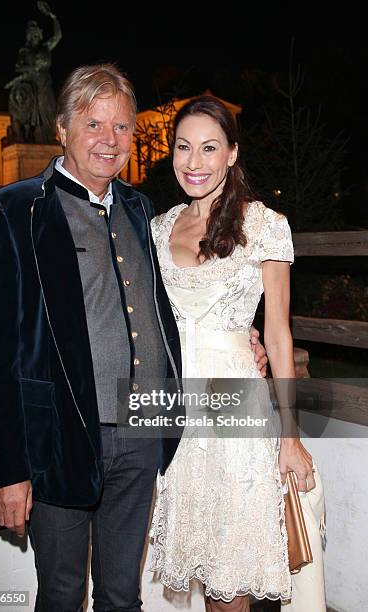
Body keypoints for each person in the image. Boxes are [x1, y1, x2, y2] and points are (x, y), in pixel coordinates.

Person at [0, 66, 267, 612]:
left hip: (141, 431)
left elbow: (171, 297)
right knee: (60, 594)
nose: (110, 140)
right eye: (94, 124)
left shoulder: (138, 209)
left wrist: (240, 327)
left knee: (122, 597)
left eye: (123, 127)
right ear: (62, 128)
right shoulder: (12, 211)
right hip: (60, 439)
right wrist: (5, 469)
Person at [149, 96, 317, 612]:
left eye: (209, 148)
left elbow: (279, 336)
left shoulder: (263, 224)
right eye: (183, 147)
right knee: (197, 566)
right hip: (173, 416)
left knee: (230, 586)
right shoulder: (156, 229)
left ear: (232, 154)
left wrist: (289, 437)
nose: (193, 162)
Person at [5, 1, 61, 144]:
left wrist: (53, 17)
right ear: (29, 36)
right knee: (35, 110)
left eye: (37, 34)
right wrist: (30, 69)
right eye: (33, 34)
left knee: (49, 110)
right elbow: (18, 68)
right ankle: (36, 135)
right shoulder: (24, 51)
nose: (35, 36)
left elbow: (57, 36)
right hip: (31, 83)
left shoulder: (45, 48)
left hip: (45, 82)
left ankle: (48, 137)